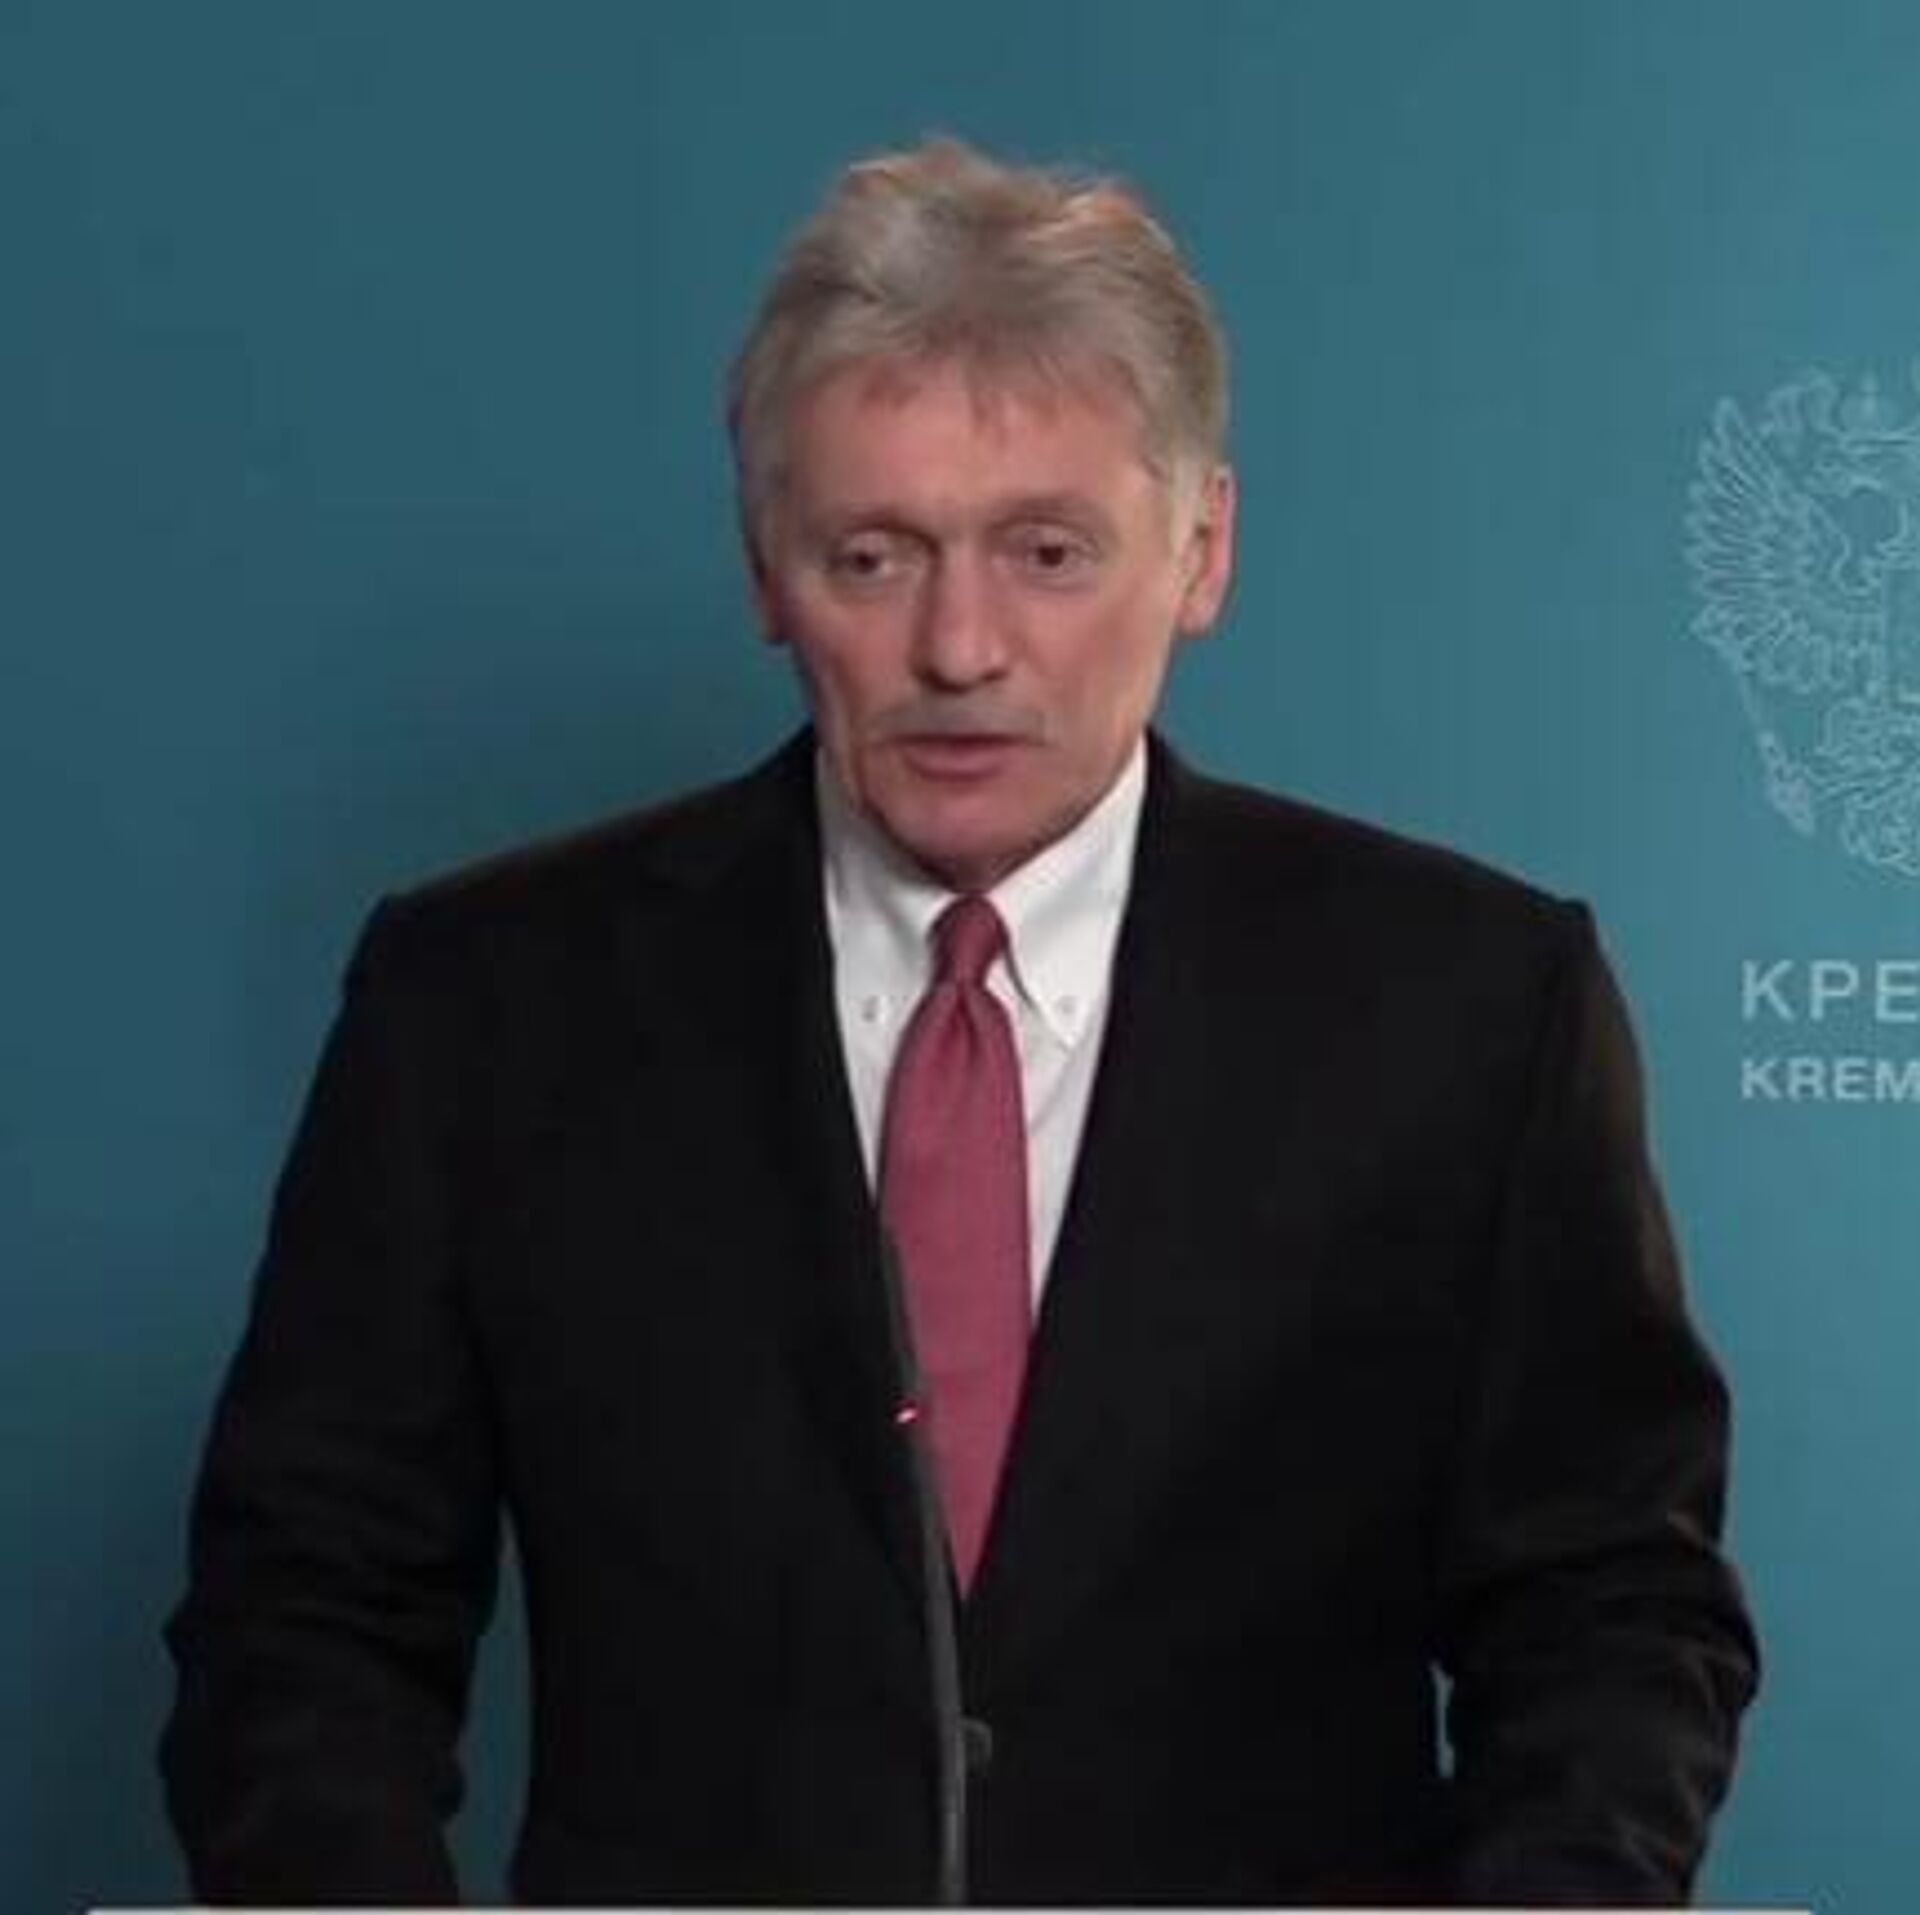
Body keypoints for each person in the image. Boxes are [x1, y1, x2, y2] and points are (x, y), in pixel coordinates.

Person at [162, 138, 1758, 1906]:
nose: (962, 647)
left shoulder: (1473, 1005)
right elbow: (305, 1614)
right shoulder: (485, 999)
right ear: (764, 568)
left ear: (1202, 550)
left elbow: (1613, 1613)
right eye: (873, 557)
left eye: (1049, 552)